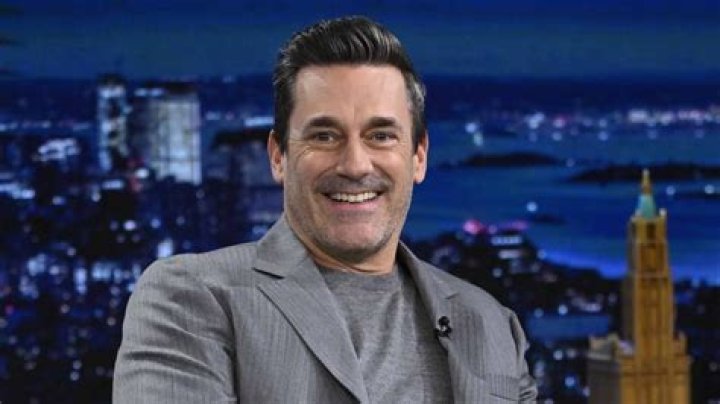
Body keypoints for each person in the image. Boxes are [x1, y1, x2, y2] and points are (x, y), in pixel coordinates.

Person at [113, 16, 537, 403]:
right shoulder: (191, 298)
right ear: (278, 157)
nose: (355, 165)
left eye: (381, 136)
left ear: (418, 157)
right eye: (324, 136)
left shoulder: (491, 326)